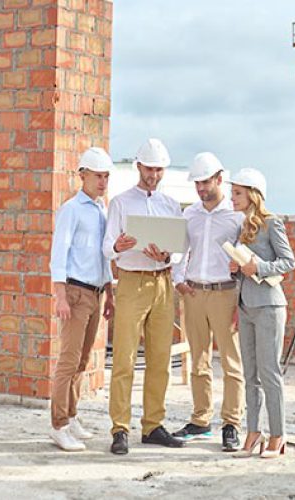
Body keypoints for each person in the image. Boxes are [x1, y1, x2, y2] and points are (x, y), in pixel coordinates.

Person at [102, 138, 187, 455]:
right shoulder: (121, 203)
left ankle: (152, 425)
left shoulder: (170, 205)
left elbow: (180, 250)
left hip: (163, 283)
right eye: (149, 169)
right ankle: (120, 428)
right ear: (138, 166)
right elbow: (107, 245)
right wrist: (119, 247)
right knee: (123, 358)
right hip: (131, 283)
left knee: (160, 360)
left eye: (159, 170)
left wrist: (167, 256)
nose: (154, 175)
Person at [171, 152, 245, 451]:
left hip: (226, 294)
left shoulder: (237, 215)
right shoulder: (190, 214)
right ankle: (201, 420)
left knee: (231, 363)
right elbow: (180, 250)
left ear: (219, 179)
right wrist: (178, 280)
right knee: (198, 361)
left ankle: (231, 423)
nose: (201, 189)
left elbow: (247, 259)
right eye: (197, 184)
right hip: (194, 294)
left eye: (205, 182)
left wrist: (242, 300)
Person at [48, 147, 117, 451]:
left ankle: (72, 415)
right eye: (97, 176)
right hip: (75, 293)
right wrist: (60, 296)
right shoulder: (71, 209)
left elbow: (102, 257)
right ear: (82, 175)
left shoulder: (103, 210)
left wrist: (110, 292)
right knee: (68, 361)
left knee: (82, 360)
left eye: (106, 176)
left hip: (97, 292)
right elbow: (58, 254)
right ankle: (58, 424)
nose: (102, 182)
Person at [228, 168, 295, 458]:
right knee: (250, 374)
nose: (233, 198)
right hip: (246, 307)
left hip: (269, 306)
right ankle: (254, 431)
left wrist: (259, 268)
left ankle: (278, 435)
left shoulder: (272, 224)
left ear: (253, 195)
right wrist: (236, 271)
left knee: (270, 374)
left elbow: (289, 261)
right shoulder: (242, 228)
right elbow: (244, 270)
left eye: (238, 193)